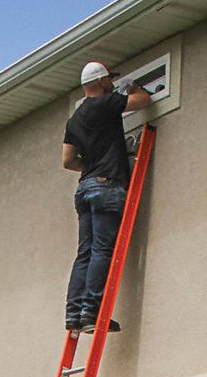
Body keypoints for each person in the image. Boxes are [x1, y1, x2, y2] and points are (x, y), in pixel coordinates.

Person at [62, 60, 152, 333]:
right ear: (100, 81)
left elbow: (67, 160)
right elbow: (143, 100)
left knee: (85, 253)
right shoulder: (104, 103)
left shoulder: (74, 118)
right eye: (109, 80)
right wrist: (131, 87)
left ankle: (74, 312)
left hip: (84, 188)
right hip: (106, 186)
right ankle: (92, 310)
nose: (112, 83)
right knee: (102, 250)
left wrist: (89, 167)